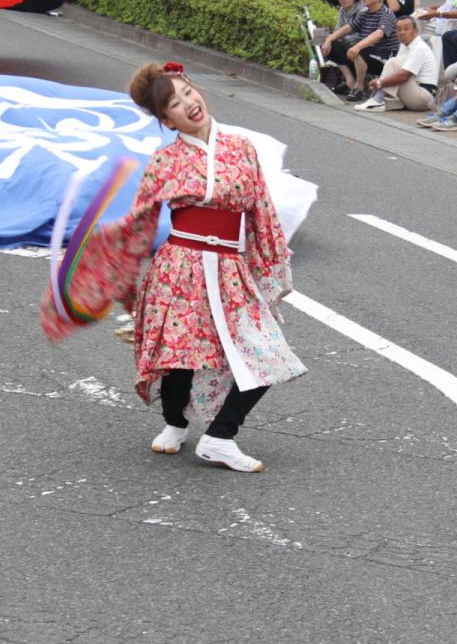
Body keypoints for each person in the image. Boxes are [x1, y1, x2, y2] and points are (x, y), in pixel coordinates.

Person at [41, 63, 306, 473]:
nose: (188, 103)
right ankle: (175, 423)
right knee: (180, 355)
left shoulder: (241, 147)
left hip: (230, 268)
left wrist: (268, 263)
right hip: (180, 267)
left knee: (266, 353)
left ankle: (219, 437)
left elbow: (261, 210)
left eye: (187, 92)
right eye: (175, 104)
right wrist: (98, 259)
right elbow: (138, 222)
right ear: (166, 120)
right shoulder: (165, 160)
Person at [321, 0, 399, 102]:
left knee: (360, 50)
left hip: (384, 58)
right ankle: (350, 82)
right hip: (366, 55)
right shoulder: (365, 13)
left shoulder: (387, 14)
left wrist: (357, 46)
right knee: (334, 45)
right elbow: (348, 28)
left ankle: (359, 88)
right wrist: (329, 40)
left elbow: (379, 34)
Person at [355, 16, 439, 112]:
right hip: (413, 90)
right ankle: (380, 98)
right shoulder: (403, 45)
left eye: (406, 29)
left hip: (423, 96)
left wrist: (379, 83)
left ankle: (379, 100)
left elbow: (404, 76)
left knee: (393, 62)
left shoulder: (419, 47)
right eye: (399, 29)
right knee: (395, 63)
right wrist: (381, 82)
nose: (402, 32)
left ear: (416, 31)